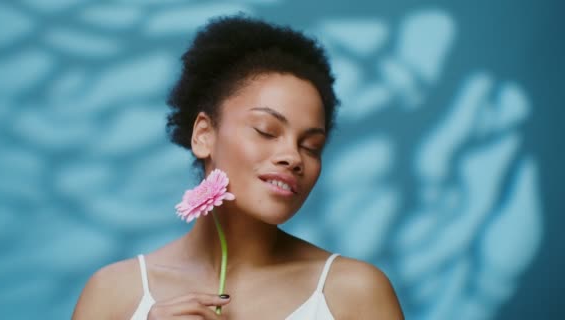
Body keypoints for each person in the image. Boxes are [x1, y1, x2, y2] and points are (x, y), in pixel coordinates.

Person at [72, 14, 404, 320]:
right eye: (266, 131)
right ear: (203, 135)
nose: (293, 157)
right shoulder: (113, 294)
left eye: (311, 147)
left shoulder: (354, 293)